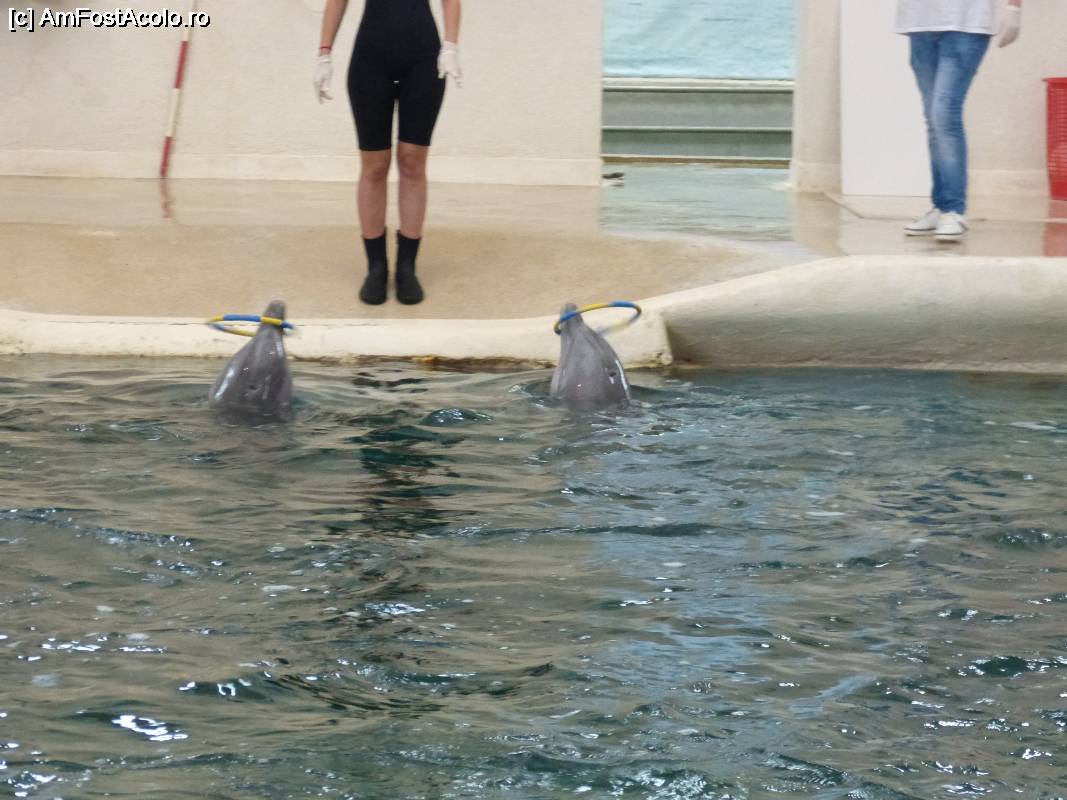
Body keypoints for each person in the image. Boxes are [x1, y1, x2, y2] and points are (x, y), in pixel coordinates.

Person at [314, 0, 462, 304]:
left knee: (412, 161)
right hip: (371, 59)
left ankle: (407, 267)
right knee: (375, 165)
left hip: (422, 59)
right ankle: (376, 268)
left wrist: (450, 45)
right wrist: (324, 53)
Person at [898, 0, 1022, 242]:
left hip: (967, 21)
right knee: (933, 118)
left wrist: (1014, 7)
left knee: (944, 114)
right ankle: (941, 206)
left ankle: (954, 210)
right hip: (919, 20)